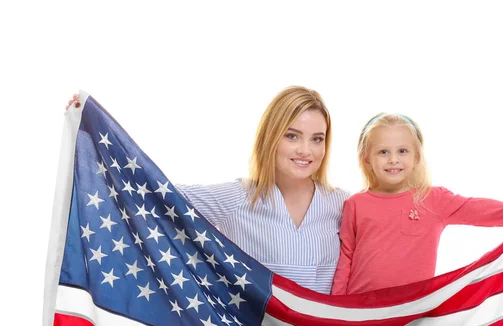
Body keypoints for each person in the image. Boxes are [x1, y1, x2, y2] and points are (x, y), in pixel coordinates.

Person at [66, 87, 349, 294]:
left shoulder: (342, 205)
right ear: (271, 137)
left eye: (317, 139)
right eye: (292, 136)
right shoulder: (239, 198)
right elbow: (153, 192)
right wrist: (89, 129)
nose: (305, 150)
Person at [331, 113, 503, 295]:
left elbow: (479, 209)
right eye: (383, 152)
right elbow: (346, 258)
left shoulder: (433, 200)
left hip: (412, 312)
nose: (393, 159)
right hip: (360, 309)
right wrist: (335, 307)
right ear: (367, 158)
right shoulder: (355, 204)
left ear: (416, 156)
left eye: (402, 151)